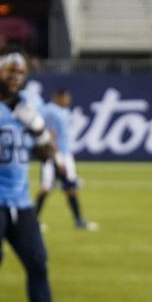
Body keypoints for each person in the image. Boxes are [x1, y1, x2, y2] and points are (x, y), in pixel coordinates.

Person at [0, 49, 86, 302]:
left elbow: (47, 153)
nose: (14, 78)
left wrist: (37, 131)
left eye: (20, 73)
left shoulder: (29, 105)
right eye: (9, 71)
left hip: (21, 200)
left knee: (38, 264)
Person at [35, 88, 96, 230]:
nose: (68, 100)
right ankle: (33, 221)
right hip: (53, 155)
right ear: (59, 97)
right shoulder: (49, 111)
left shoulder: (63, 111)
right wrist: (56, 157)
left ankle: (79, 220)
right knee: (46, 187)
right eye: (66, 98)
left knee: (70, 187)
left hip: (65, 153)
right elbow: (48, 134)